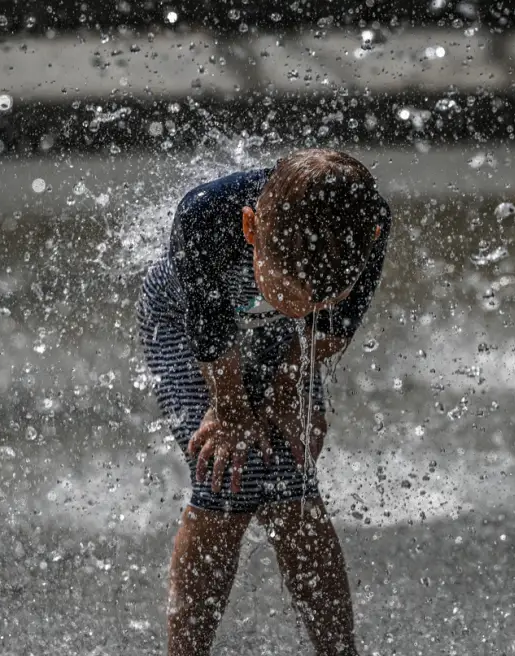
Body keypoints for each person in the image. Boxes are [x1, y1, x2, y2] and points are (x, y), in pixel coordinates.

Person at [136, 148, 392, 655]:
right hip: (190, 323)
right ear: (250, 228)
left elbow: (324, 332)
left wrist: (288, 395)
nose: (302, 304)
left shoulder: (363, 225)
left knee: (289, 481)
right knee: (227, 476)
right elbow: (209, 337)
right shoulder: (207, 215)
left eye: (322, 297)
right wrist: (230, 412)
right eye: (288, 290)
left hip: (287, 340)